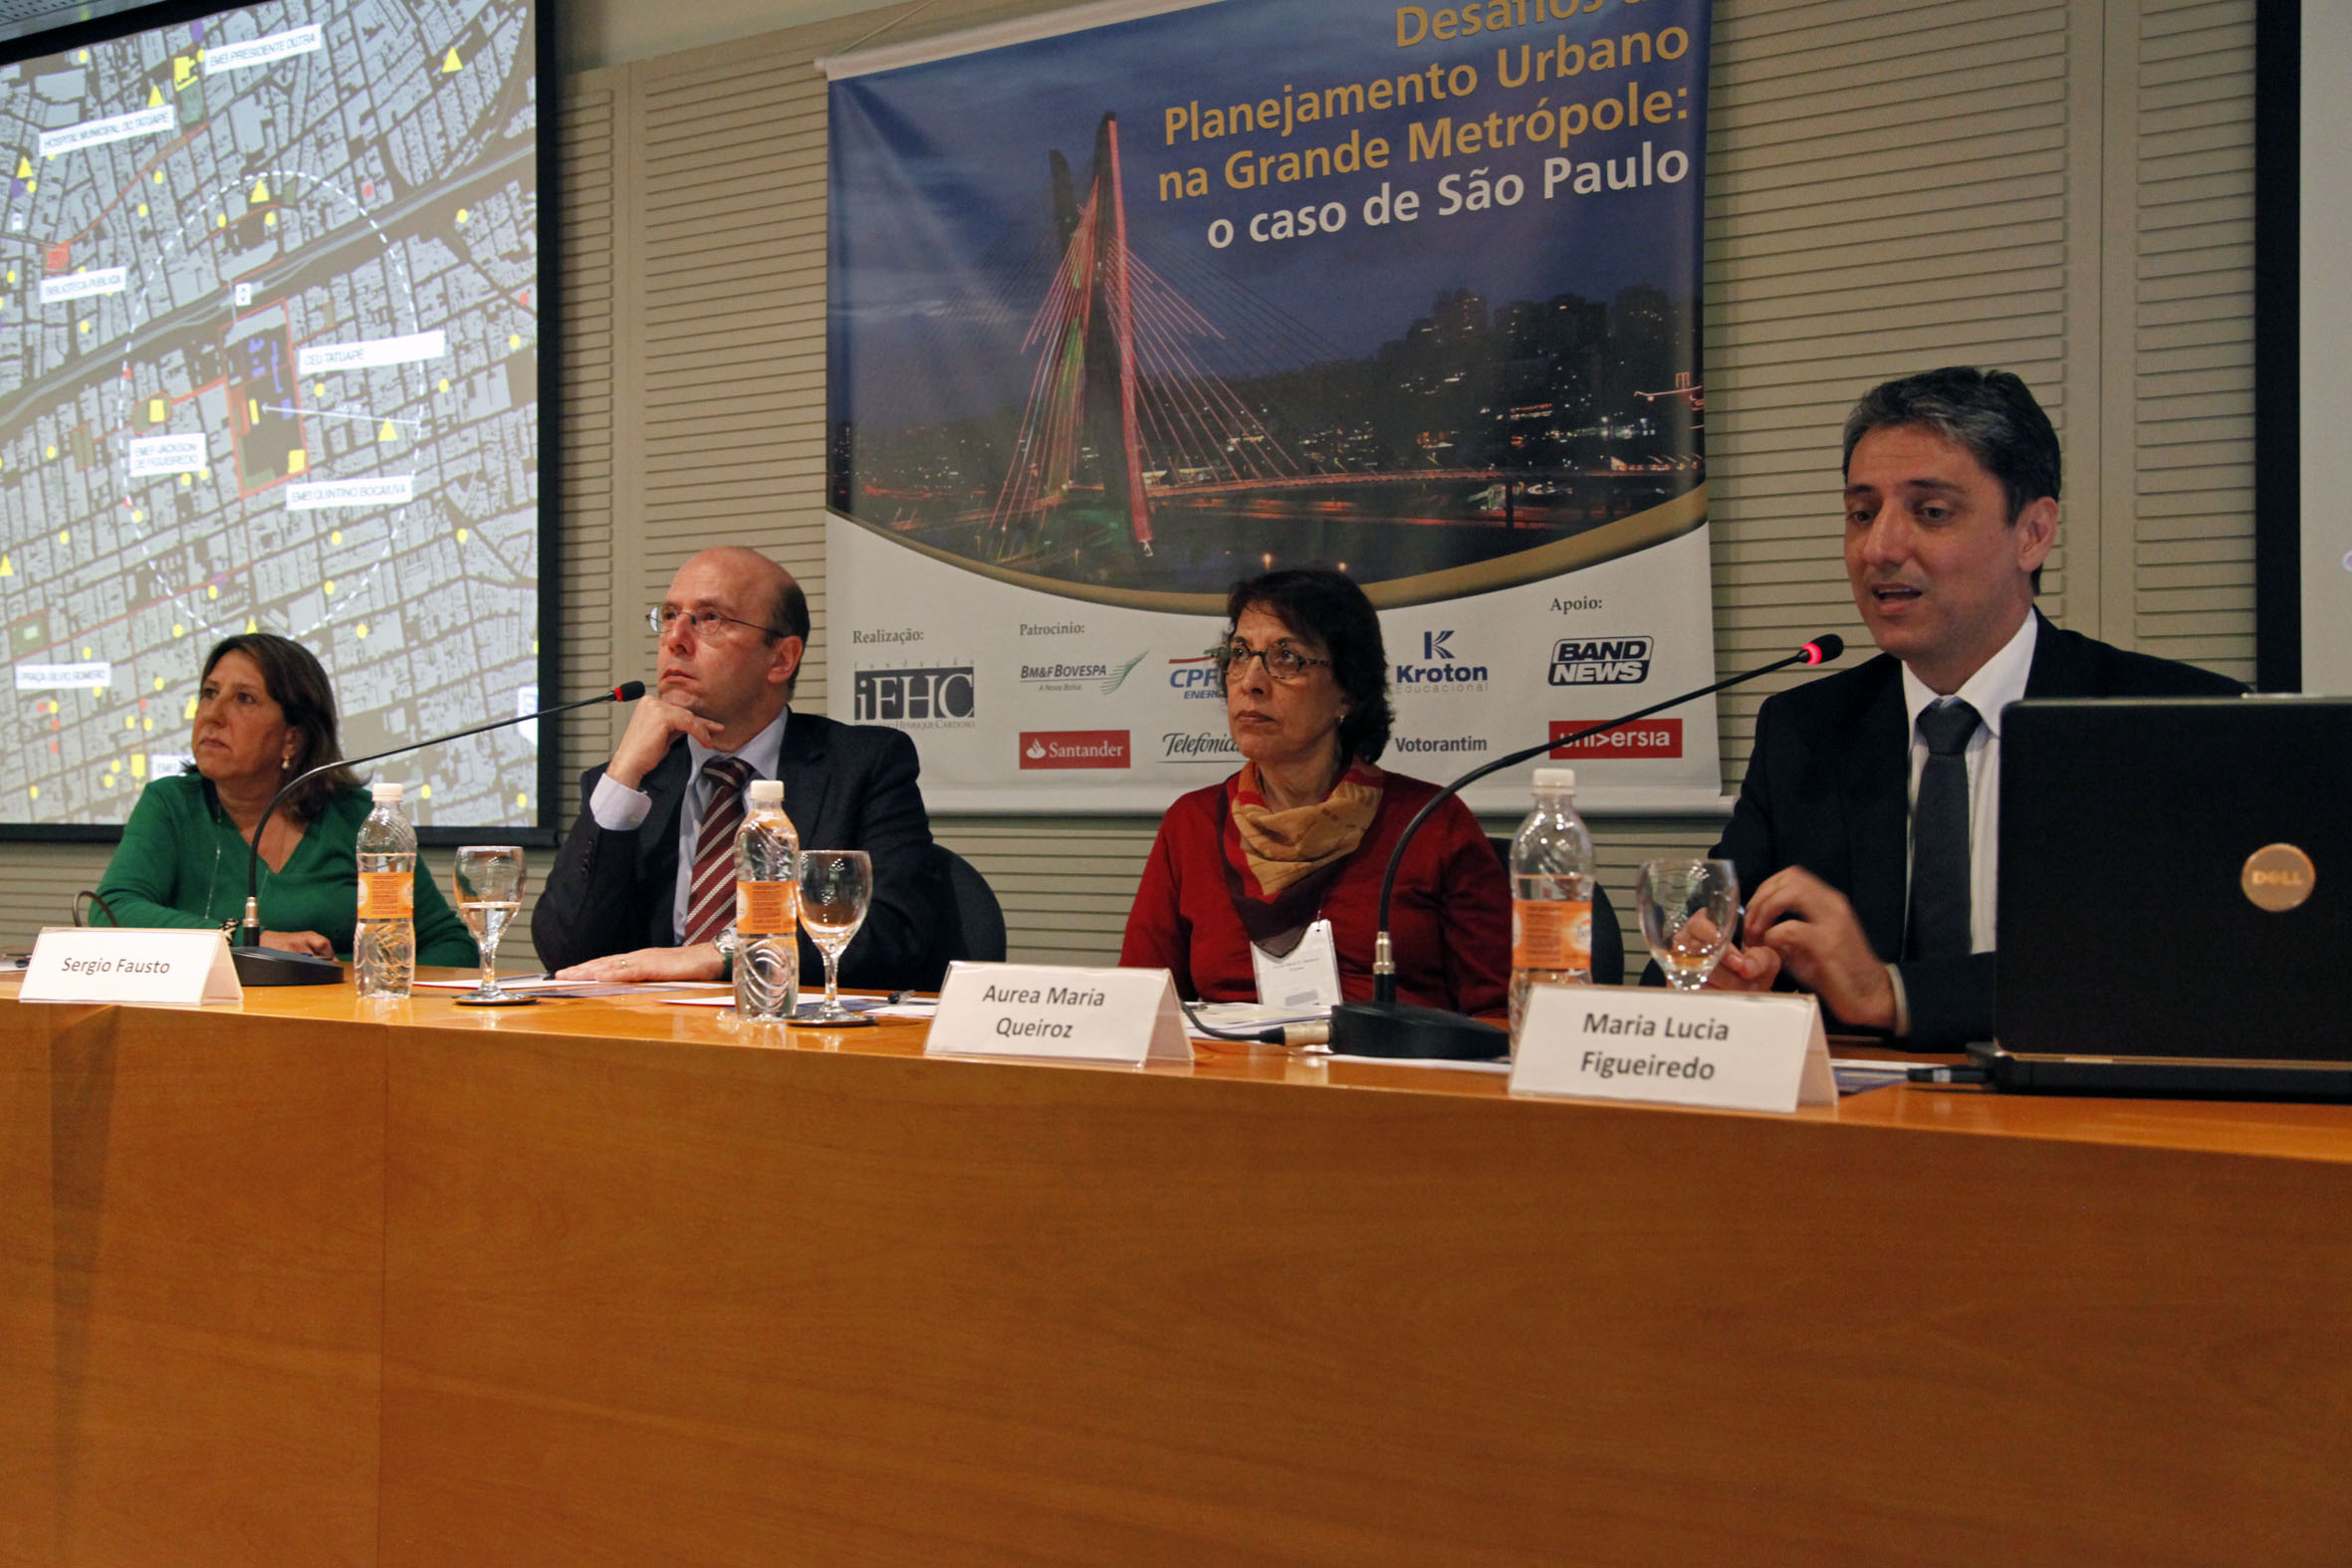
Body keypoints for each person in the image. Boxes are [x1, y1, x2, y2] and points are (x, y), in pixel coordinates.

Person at [1705, 366, 2243, 1043]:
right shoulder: (1806, 730)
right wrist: (1724, 975)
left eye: (1931, 512)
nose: (1880, 548)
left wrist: (1891, 993)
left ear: (2033, 533)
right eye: (1862, 514)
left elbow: (2193, 976)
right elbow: (1704, 948)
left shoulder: (2178, 722)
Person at [533, 546, 946, 989]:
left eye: (709, 619)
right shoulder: (632, 782)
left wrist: (721, 955)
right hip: (651, 1027)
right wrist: (623, 773)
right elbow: (567, 953)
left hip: (791, 1024)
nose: (675, 639)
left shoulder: (863, 766)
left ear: (781, 658)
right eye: (669, 616)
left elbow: (894, 933)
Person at [1120, 566, 1510, 1015]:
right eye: (1240, 654)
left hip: (1376, 1060)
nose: (1251, 681)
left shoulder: (1432, 824)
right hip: (1226, 1061)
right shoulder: (1192, 824)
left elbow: (1503, 1016)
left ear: (1348, 691)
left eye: (1287, 658)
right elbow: (1138, 1006)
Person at [95, 632, 475, 965]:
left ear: (292, 737)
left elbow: (450, 946)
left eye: (244, 698)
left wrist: (339, 973)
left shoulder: (359, 820)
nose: (213, 714)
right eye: (209, 693)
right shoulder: (171, 804)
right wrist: (248, 942)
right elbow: (111, 911)